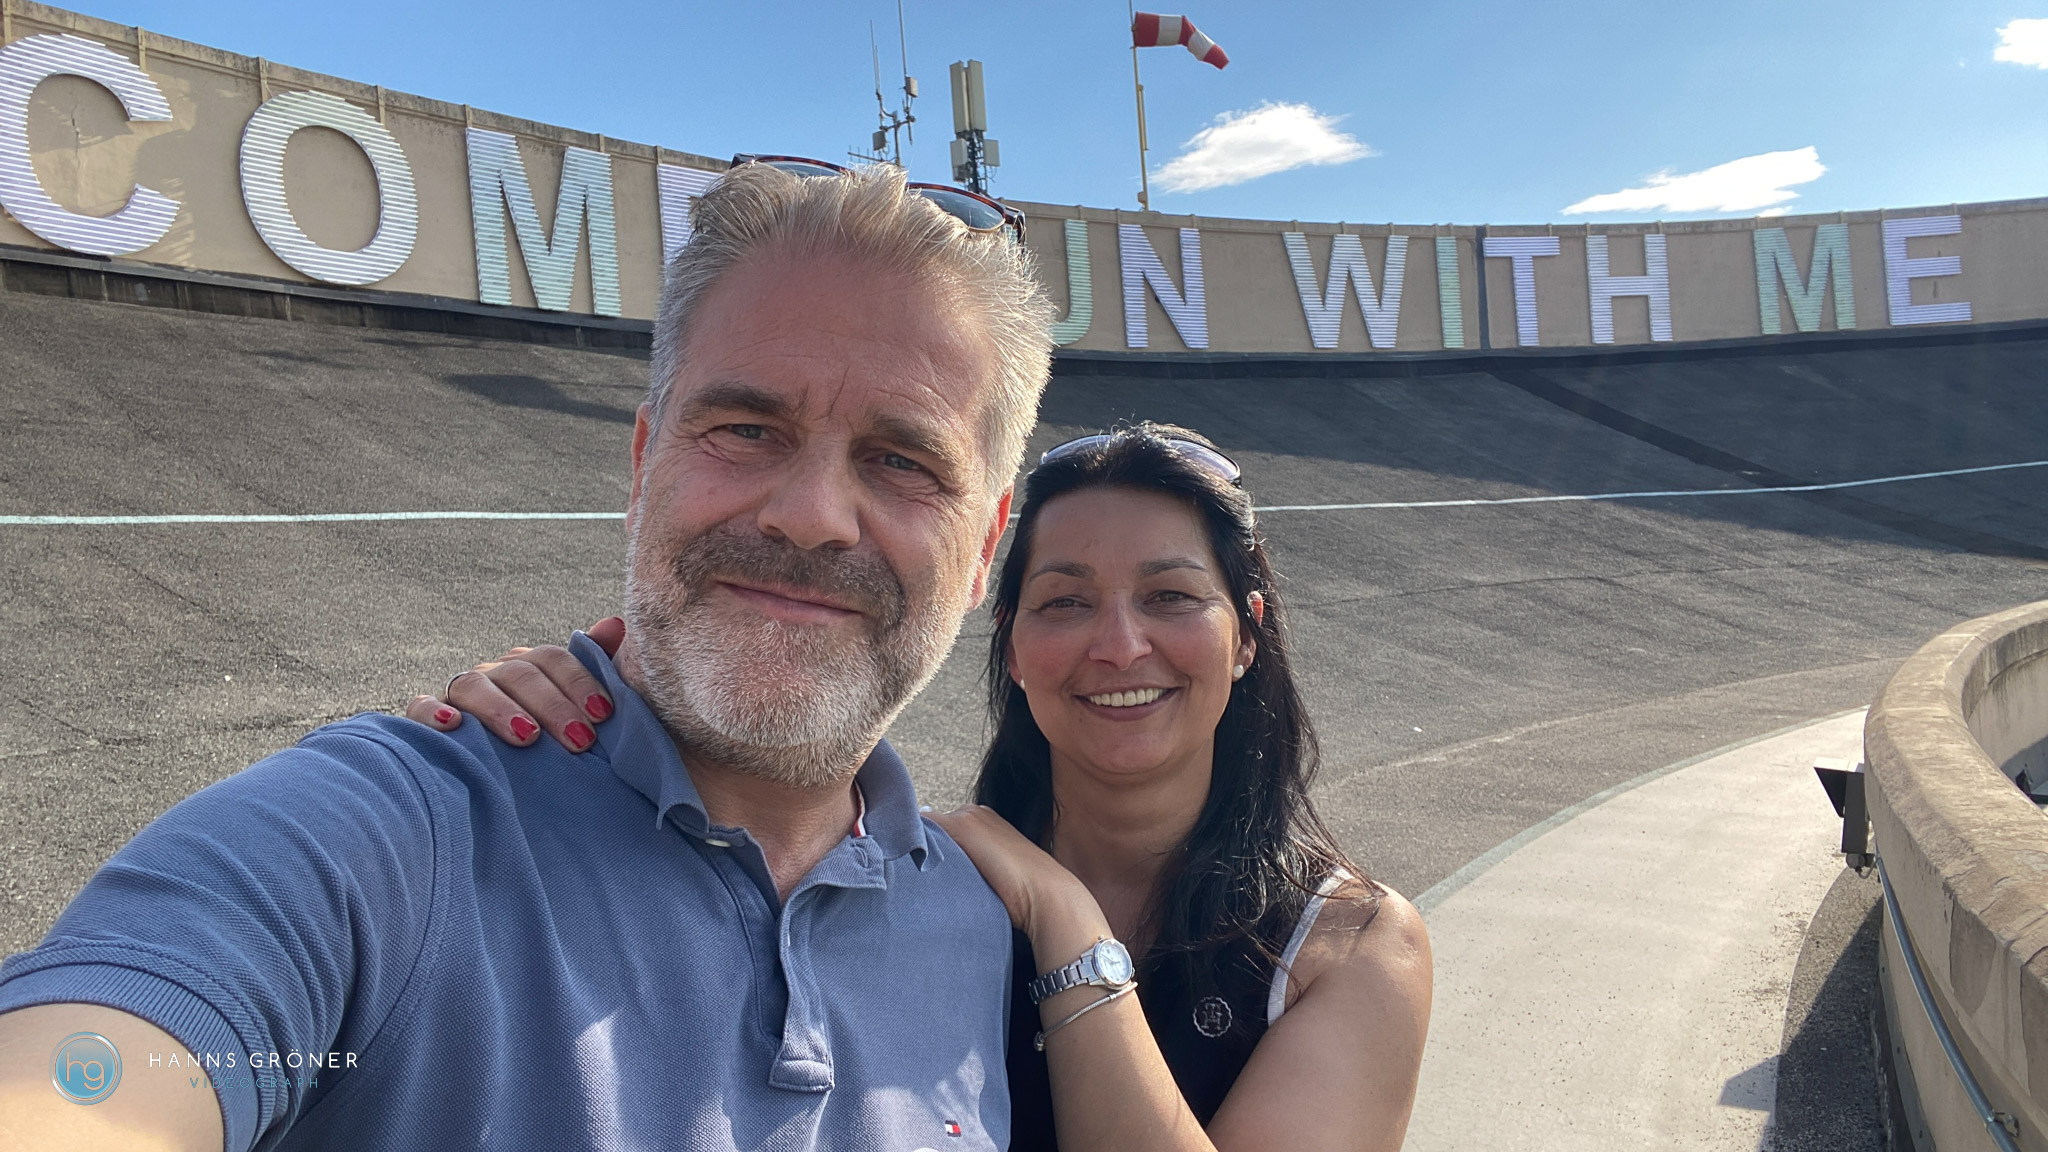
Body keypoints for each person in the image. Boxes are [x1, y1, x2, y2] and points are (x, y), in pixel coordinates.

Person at [0, 162, 1056, 1151]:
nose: (811, 515)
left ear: (983, 551)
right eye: (744, 429)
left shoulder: (980, 926)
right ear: (645, 464)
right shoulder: (383, 839)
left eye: (903, 459)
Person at [418, 424, 1433, 1151]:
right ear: (1014, 648)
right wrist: (572, 707)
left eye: (1169, 596)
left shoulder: (1347, 948)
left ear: (1245, 634)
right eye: (1064, 601)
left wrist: (1070, 933)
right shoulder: (916, 881)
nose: (1118, 643)